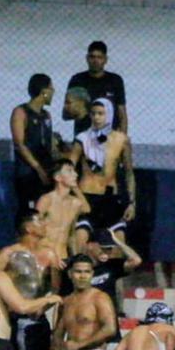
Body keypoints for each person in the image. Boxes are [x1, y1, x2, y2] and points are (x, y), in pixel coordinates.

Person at [1, 211, 61, 350]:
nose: (45, 224)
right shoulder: (9, 254)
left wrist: (42, 307)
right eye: (40, 221)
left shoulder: (50, 254)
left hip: (39, 320)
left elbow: (55, 289)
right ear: (28, 227)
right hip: (16, 319)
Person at [67, 99, 136, 250]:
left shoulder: (121, 140)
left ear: (109, 114)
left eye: (101, 113)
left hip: (110, 199)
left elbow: (129, 173)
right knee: (80, 244)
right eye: (93, 114)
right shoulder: (82, 139)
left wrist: (132, 203)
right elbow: (67, 170)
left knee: (119, 247)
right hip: (87, 197)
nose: (96, 117)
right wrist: (78, 196)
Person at [10, 74, 56, 219]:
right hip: (28, 173)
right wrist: (38, 168)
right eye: (51, 88)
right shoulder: (20, 112)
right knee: (29, 213)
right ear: (44, 91)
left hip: (46, 172)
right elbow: (19, 144)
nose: (53, 92)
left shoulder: (46, 115)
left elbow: (49, 144)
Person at [65, 41, 128, 134]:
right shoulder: (77, 80)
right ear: (87, 58)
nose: (95, 61)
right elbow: (66, 114)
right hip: (83, 136)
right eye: (92, 57)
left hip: (109, 137)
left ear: (105, 59)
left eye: (99, 57)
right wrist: (79, 110)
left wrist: (123, 138)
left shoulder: (115, 80)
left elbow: (122, 113)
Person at [34, 159, 91, 262]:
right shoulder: (47, 200)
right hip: (45, 256)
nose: (76, 174)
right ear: (57, 177)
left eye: (74, 171)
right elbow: (34, 229)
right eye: (69, 171)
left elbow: (86, 209)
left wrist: (75, 258)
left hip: (63, 256)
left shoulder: (75, 203)